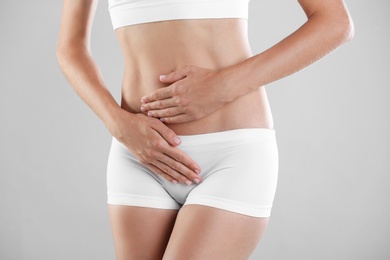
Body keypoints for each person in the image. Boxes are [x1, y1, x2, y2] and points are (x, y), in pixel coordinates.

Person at [57, 0, 354, 259]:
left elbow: (335, 22)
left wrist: (222, 86)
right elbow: (70, 47)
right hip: (139, 155)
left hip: (230, 154)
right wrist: (117, 124)